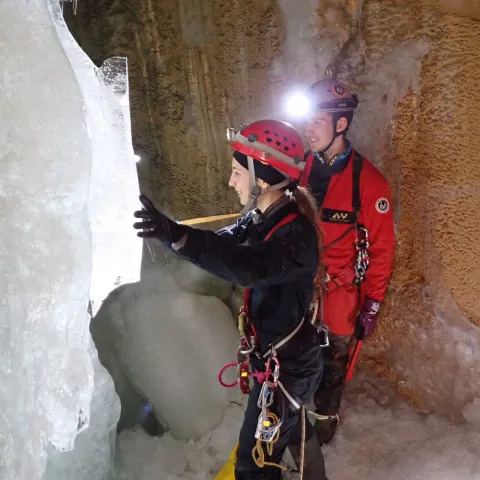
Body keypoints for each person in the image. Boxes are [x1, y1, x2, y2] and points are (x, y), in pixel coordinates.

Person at [133, 119, 329, 480]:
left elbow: (246, 267)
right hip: (279, 363)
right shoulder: (261, 218)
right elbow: (223, 244)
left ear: (264, 180)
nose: (230, 181)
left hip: (286, 368)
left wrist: (175, 235)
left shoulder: (296, 236)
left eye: (237, 172)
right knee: (289, 428)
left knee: (253, 465)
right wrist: (172, 235)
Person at [301, 78, 396, 445]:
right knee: (294, 358)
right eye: (308, 121)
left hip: (339, 295)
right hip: (300, 287)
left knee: (331, 369)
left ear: (341, 124)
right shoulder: (300, 169)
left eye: (318, 121)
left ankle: (322, 431)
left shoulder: (369, 183)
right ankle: (291, 420)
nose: (309, 129)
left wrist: (372, 302)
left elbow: (381, 249)